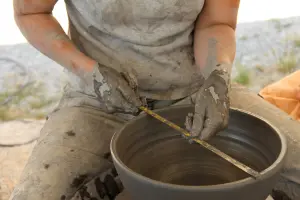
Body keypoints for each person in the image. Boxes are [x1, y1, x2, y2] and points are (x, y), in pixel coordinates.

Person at [10, 0, 299, 199]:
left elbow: (217, 21)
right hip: (95, 96)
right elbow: (30, 13)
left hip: (195, 91)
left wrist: (218, 75)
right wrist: (89, 71)